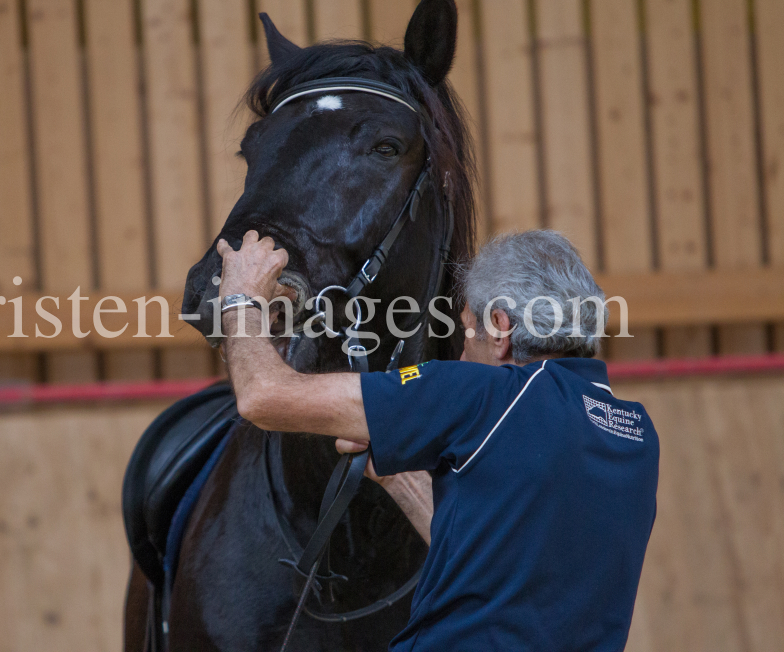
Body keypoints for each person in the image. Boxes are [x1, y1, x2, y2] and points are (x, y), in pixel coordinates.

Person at [214, 229, 659, 651]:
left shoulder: (482, 392)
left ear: (500, 329)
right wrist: (400, 480)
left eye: (467, 331)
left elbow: (263, 396)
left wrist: (242, 297)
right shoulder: (634, 433)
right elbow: (495, 555)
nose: (462, 354)